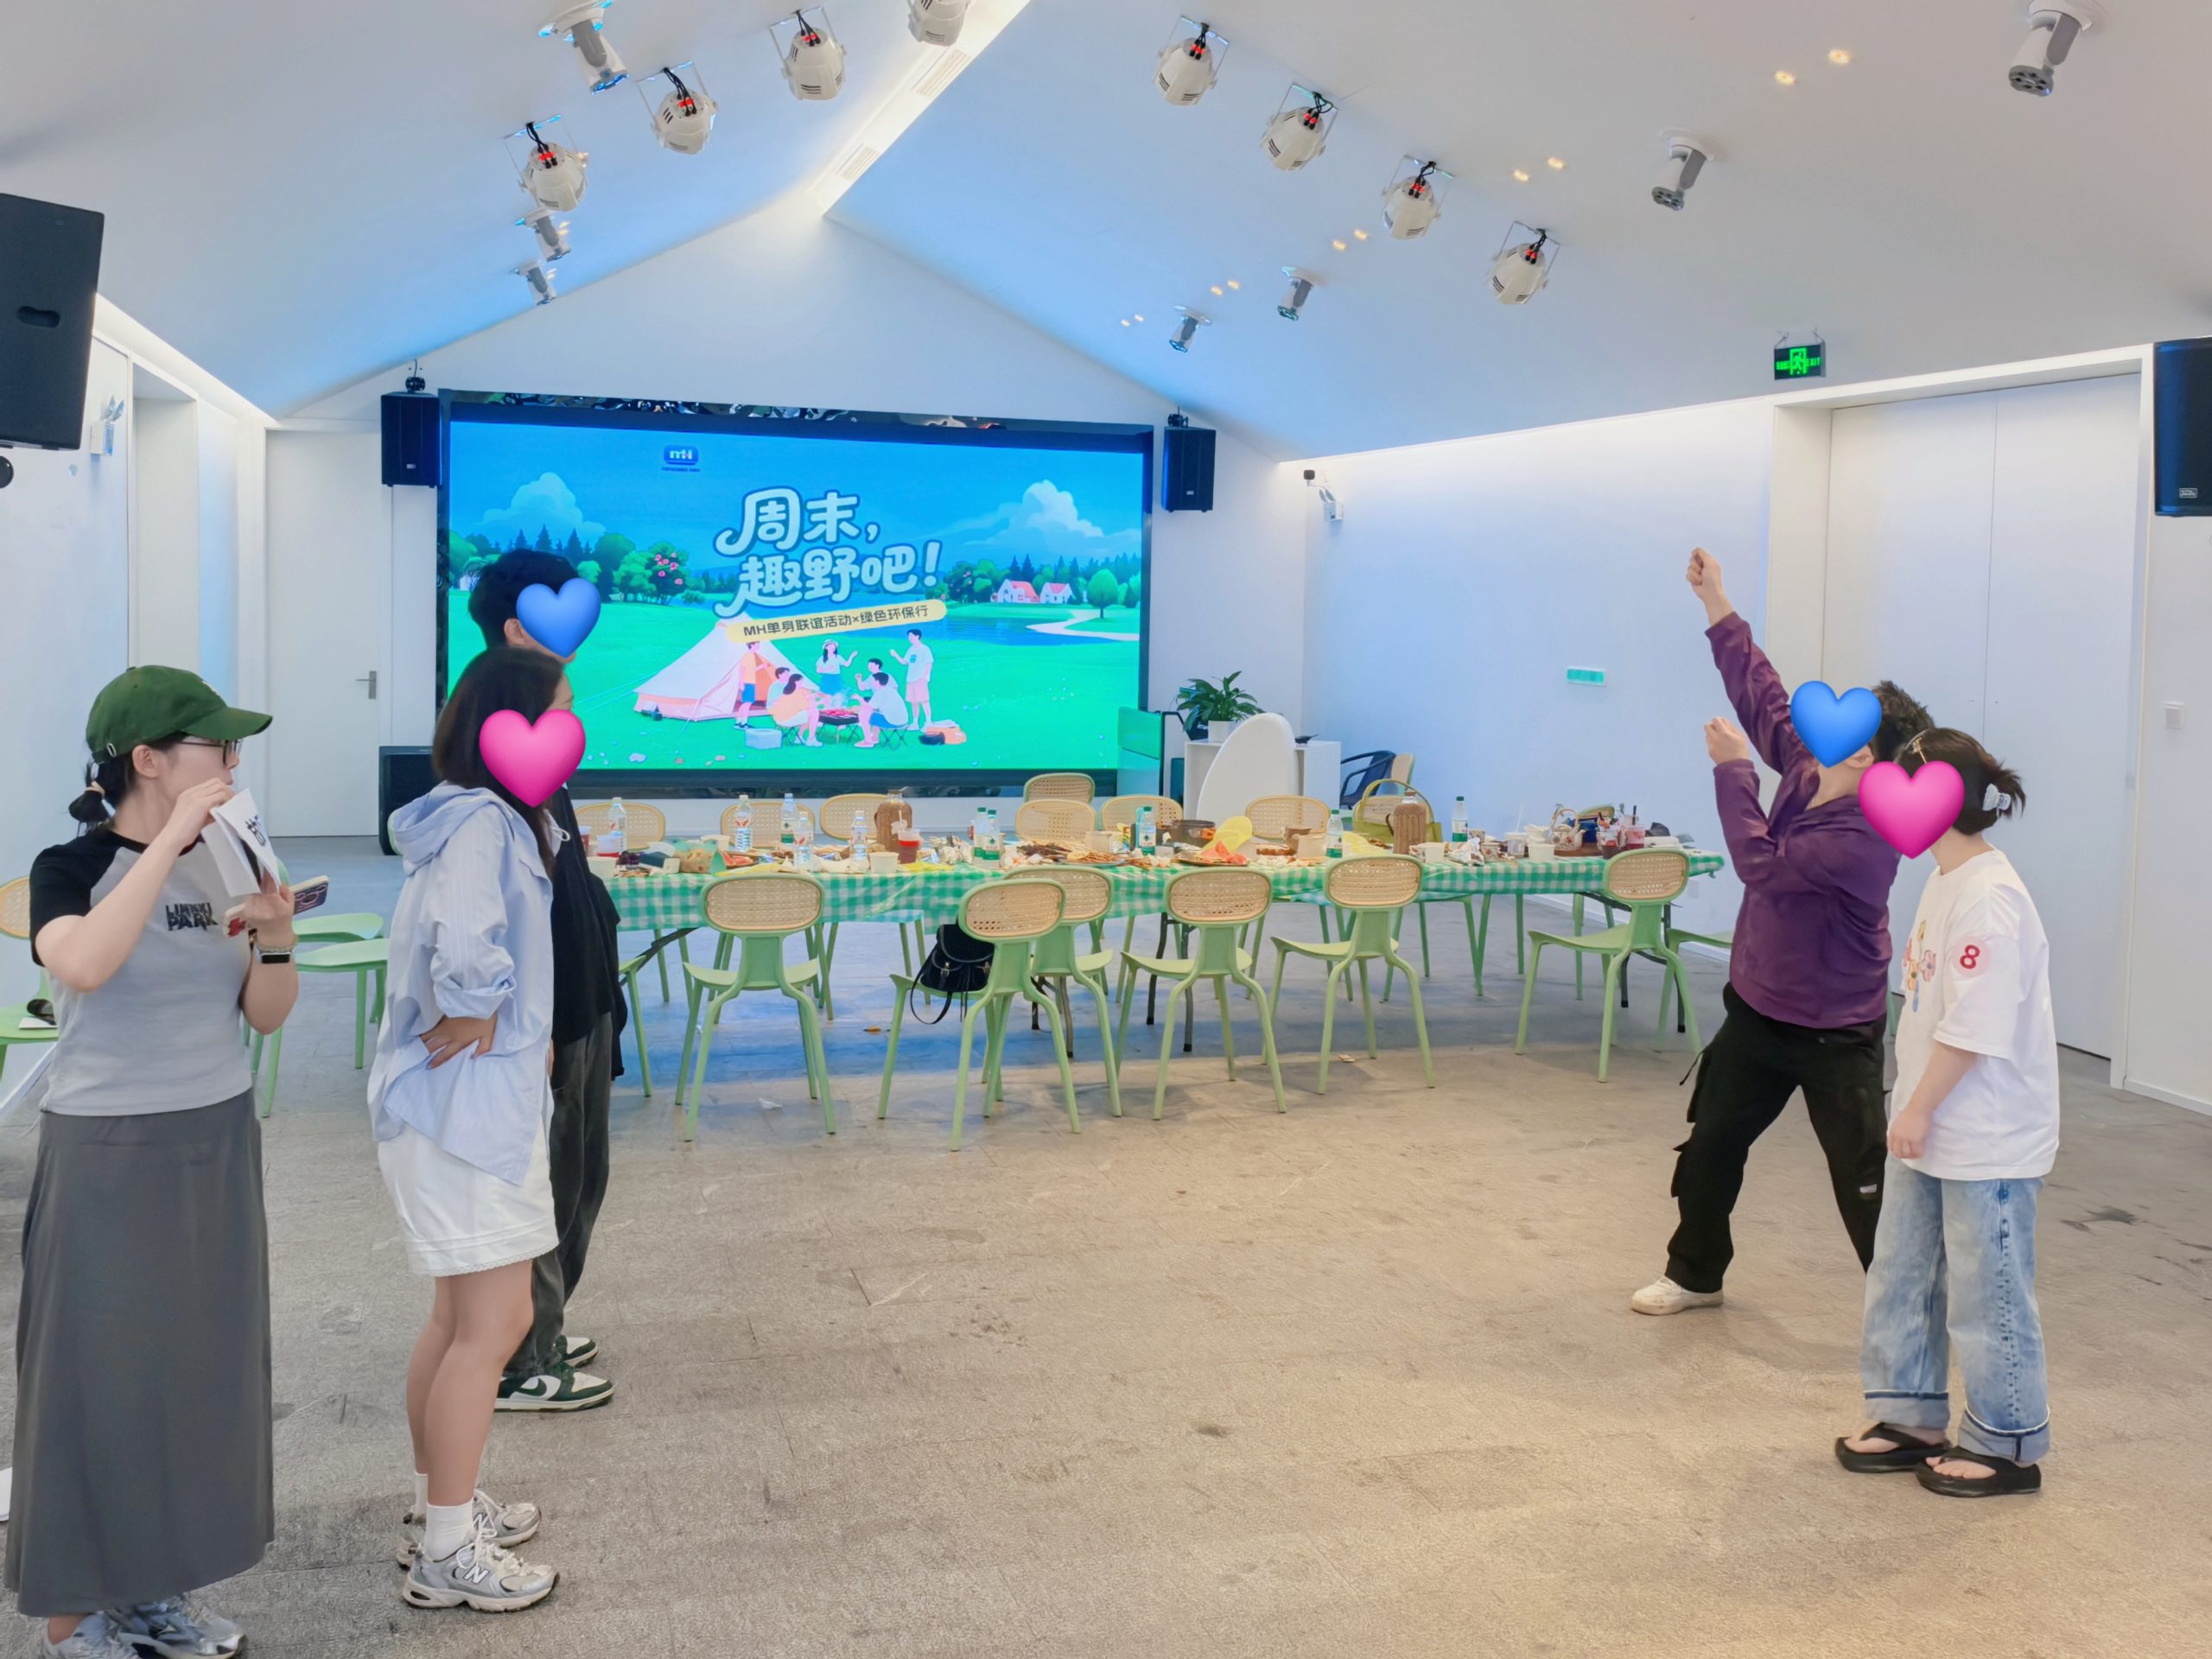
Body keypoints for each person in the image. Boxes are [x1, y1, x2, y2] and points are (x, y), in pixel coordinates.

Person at [13, 667, 296, 1659]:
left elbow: (265, 1015)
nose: (233, 765)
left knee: (194, 1374)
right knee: (99, 1380)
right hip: (109, 1150)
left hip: (214, 1136)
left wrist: (276, 939)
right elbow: (83, 963)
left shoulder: (227, 861)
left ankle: (153, 1591)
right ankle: (75, 1615)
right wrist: (169, 842)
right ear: (147, 760)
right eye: (217, 748)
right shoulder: (69, 866)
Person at [1631, 548, 1933, 1315]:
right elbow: (1761, 692)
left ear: (1862, 751)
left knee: (1863, 1178)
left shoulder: (1866, 836)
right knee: (1710, 1145)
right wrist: (1716, 599)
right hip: (1760, 1010)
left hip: (1838, 1031)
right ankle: (1695, 1273)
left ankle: (1906, 1313)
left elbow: (1762, 867)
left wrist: (1734, 770)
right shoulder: (1807, 762)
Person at [369, 648, 569, 1612]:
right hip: (464, 1111)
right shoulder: (484, 821)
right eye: (557, 710)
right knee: (496, 1322)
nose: (570, 729)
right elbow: (465, 936)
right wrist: (479, 1006)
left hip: (459, 1107)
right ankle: (448, 1552)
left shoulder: (473, 816)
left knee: (458, 1318)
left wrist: (509, 1018)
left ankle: (438, 1507)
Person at [1836, 729, 2056, 1497]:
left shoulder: (1991, 897)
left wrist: (1919, 1108)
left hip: (1985, 1134)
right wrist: (1913, 1108)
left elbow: (1975, 1027)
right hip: (1927, 1122)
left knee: (1987, 1293)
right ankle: (1909, 1415)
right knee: (1902, 1274)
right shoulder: (1942, 879)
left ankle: (2007, 1443)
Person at [465, 552, 622, 1413]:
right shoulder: (490, 751)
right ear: (519, 631)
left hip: (582, 992)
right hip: (547, 1011)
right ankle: (523, 1357)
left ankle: (542, 1327)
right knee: (545, 1181)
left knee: (581, 1177)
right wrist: (537, 1019)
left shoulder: (537, 740)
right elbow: (489, 913)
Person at [854, 661, 909, 749]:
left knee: (863, 714)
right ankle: (875, 738)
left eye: (874, 681)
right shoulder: (890, 690)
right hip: (903, 721)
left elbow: (868, 709)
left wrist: (859, 698)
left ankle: (868, 741)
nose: (873, 683)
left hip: (893, 722)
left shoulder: (880, 693)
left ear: (877, 682)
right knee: (877, 713)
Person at [769, 669, 823, 746]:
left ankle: (799, 737)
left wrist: (812, 696)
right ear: (796, 682)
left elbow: (799, 701)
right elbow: (809, 706)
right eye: (801, 682)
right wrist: (821, 701)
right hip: (787, 719)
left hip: (779, 718)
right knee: (814, 712)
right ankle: (811, 739)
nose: (802, 683)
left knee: (807, 714)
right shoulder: (796, 693)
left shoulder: (788, 691)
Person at [893, 627, 935, 728]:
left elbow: (929, 663)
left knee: (924, 701)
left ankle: (928, 722)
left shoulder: (925, 649)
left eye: (911, 636)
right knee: (914, 702)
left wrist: (925, 676)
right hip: (910, 679)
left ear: (917, 636)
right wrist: (895, 655)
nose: (909, 638)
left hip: (920, 678)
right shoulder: (911, 649)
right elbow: (904, 662)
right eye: (909, 636)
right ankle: (915, 723)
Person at [736, 638, 774, 718]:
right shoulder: (747, 656)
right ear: (752, 645)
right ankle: (743, 721)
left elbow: (751, 670)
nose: (758, 646)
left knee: (747, 703)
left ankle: (740, 721)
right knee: (747, 703)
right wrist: (741, 683)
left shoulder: (752, 655)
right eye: (757, 644)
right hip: (747, 682)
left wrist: (761, 667)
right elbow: (741, 670)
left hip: (751, 682)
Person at [813, 638, 849, 708]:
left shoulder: (838, 657)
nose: (833, 647)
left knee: (837, 694)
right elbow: (818, 670)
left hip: (836, 677)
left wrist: (852, 656)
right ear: (826, 647)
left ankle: (835, 709)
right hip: (827, 678)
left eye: (834, 646)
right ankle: (825, 708)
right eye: (830, 646)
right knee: (827, 696)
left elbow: (846, 664)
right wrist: (826, 668)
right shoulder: (822, 658)